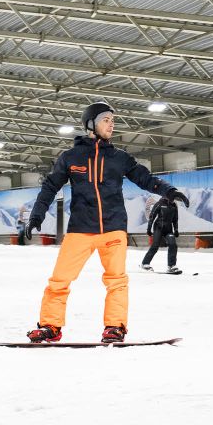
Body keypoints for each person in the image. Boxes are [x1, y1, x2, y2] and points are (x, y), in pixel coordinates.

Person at [21, 101, 185, 343]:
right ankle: (50, 326)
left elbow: (144, 178)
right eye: (106, 120)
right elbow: (50, 187)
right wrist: (37, 215)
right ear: (91, 124)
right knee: (59, 280)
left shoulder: (119, 158)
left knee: (117, 280)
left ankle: (115, 326)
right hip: (80, 229)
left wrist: (169, 191)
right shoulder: (70, 157)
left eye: (112, 120)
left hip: (113, 228)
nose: (112, 124)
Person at [140, 195, 181, 274]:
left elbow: (175, 219)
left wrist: (176, 229)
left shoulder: (174, 205)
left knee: (173, 244)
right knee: (155, 246)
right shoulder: (159, 204)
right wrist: (149, 229)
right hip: (158, 228)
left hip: (168, 229)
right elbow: (152, 217)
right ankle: (145, 263)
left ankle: (171, 266)